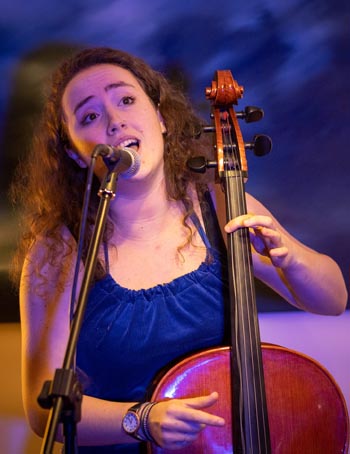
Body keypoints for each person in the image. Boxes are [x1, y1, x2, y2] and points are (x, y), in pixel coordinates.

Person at [10, 47, 347, 453]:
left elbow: (333, 300)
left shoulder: (220, 206)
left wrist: (290, 257)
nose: (115, 121)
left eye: (127, 100)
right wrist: (140, 419)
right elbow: (41, 410)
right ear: (74, 154)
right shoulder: (57, 253)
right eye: (90, 116)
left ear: (162, 118)